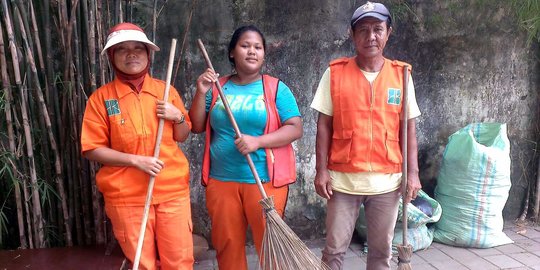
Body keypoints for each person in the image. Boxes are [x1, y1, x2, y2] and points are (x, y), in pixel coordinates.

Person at [311, 2, 422, 269]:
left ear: (388, 33)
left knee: (381, 255)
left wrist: (413, 173)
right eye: (363, 30)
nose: (370, 36)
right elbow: (323, 125)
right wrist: (321, 170)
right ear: (352, 35)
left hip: (386, 183)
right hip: (342, 183)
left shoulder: (401, 75)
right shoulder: (335, 73)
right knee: (333, 252)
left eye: (377, 29)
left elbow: (408, 128)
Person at [81, 22, 194, 270]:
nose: (131, 54)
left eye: (138, 48)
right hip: (126, 195)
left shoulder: (165, 91)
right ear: (112, 56)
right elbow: (92, 148)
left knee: (180, 262)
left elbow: (183, 134)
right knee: (142, 264)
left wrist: (177, 116)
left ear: (147, 54)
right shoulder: (101, 99)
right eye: (122, 49)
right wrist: (135, 160)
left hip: (171, 190)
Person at [189, 25, 303, 270]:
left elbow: (295, 128)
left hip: (265, 181)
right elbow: (196, 125)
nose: (252, 51)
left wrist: (258, 141)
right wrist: (201, 93)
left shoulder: (275, 88)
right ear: (232, 52)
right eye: (245, 46)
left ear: (263, 54)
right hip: (222, 181)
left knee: (270, 245)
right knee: (227, 244)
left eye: (258, 47)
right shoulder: (217, 87)